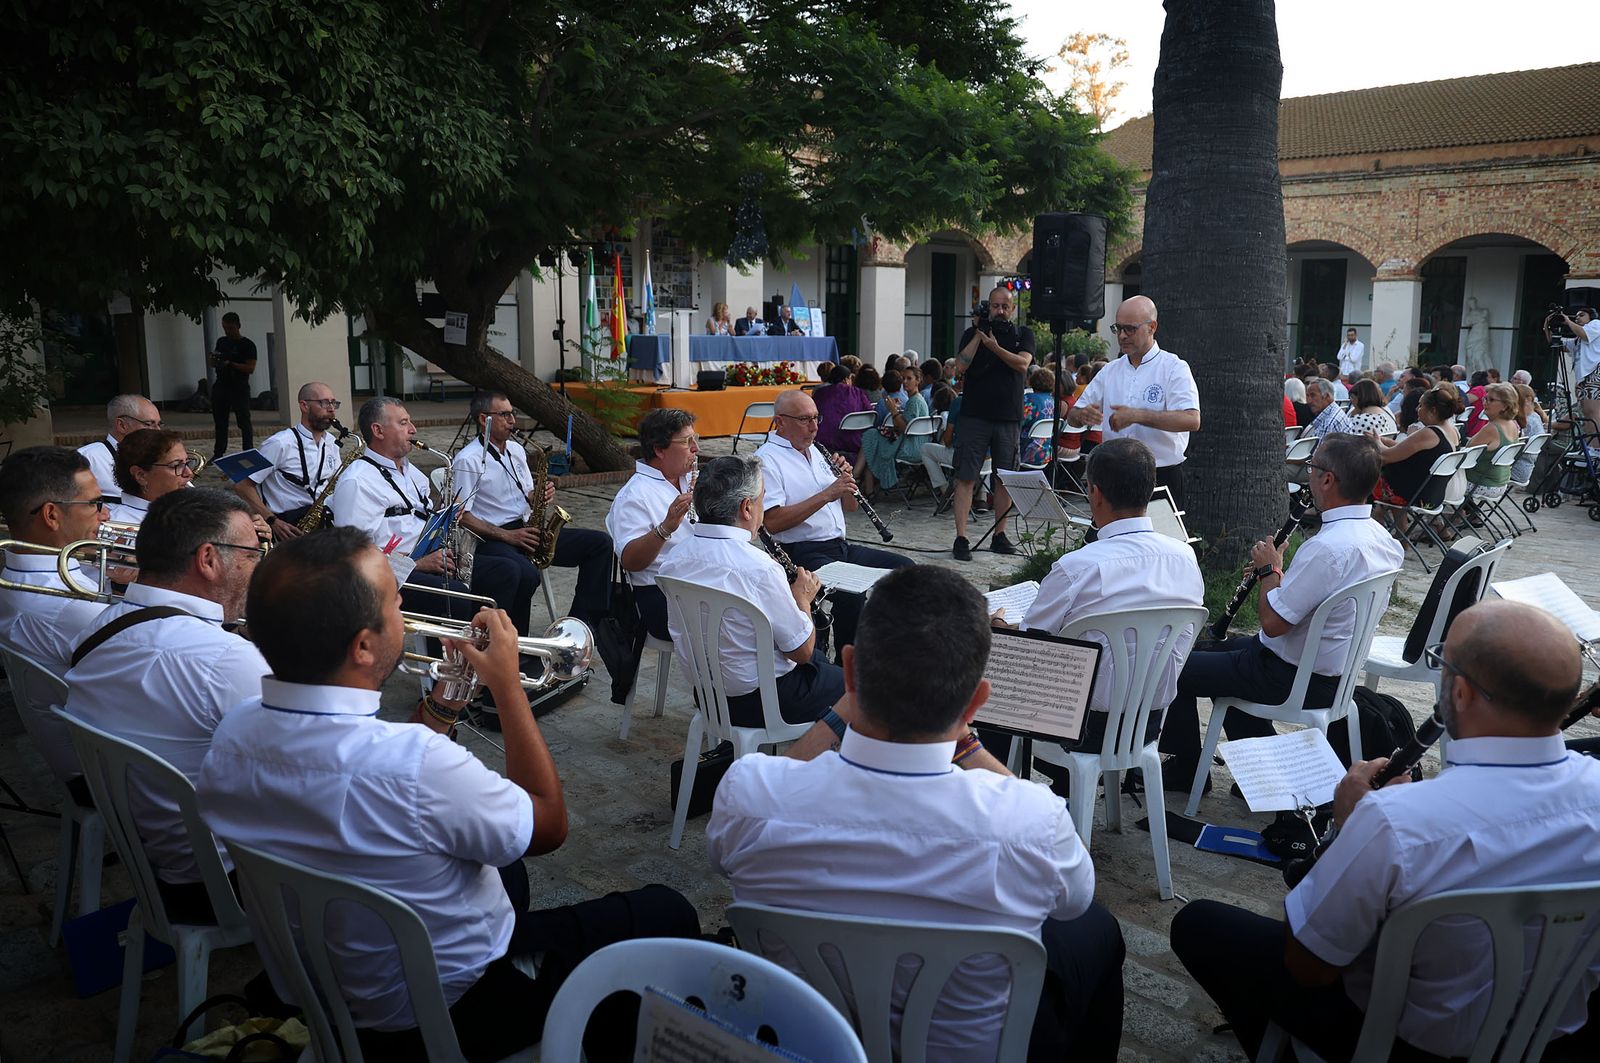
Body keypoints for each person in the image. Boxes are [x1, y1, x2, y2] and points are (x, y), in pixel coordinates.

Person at [197, 529, 700, 1061]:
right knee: (666, 910)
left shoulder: (234, 733)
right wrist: (509, 688)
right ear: (363, 646)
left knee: (504, 868)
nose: (406, 610)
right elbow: (550, 825)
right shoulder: (415, 763)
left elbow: (383, 777)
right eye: (395, 601)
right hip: (447, 1010)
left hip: (326, 987)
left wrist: (448, 697)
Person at [707, 565, 1125, 1061]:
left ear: (848, 671)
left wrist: (849, 702)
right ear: (976, 702)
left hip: (810, 1045)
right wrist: (964, 739)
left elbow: (729, 839)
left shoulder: (749, 795)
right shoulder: (1031, 822)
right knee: (1098, 931)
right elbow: (1075, 899)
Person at [1172, 599, 1600, 1062]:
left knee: (1199, 925)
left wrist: (1345, 828)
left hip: (1401, 1043)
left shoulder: (1396, 821)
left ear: (1462, 695)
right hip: (1549, 1040)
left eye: (1444, 665)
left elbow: (1309, 965)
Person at [63, 489, 268, 921]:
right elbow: (321, 775)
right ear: (208, 559)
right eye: (252, 554)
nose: (259, 567)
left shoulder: (100, 624)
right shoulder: (224, 659)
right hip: (226, 881)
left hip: (154, 861)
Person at [1160, 434, 1404, 788]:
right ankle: (1264, 778)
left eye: (1312, 468)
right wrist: (1279, 579)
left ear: (1327, 479)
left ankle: (1185, 769)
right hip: (1333, 671)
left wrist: (1269, 574)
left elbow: (1273, 624)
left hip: (1292, 676)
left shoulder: (1326, 548)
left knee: (1175, 665)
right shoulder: (1383, 539)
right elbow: (1326, 599)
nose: (1308, 476)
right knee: (1210, 654)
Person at [1006, 439, 1204, 771]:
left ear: (1095, 494)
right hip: (1148, 722)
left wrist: (1004, 630)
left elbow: (1032, 646)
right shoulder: (1185, 557)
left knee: (998, 678)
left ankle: (1011, 796)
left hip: (1080, 727)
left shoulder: (1077, 567)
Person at [658, 455, 846, 729]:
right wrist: (802, 599)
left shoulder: (675, 559)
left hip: (707, 695)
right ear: (746, 508)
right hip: (766, 701)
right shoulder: (760, 569)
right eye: (762, 499)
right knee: (858, 687)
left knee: (821, 665)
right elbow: (801, 652)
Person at [756, 391, 912, 654]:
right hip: (801, 553)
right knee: (851, 593)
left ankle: (884, 645)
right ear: (780, 422)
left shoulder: (817, 450)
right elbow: (771, 522)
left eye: (817, 418)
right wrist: (827, 493)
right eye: (805, 419)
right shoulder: (766, 459)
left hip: (839, 546)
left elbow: (849, 508)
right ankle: (845, 665)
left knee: (908, 571)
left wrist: (846, 480)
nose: (815, 427)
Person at [451, 392, 613, 633]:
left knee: (599, 544)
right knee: (526, 574)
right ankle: (513, 641)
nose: (512, 420)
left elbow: (527, 492)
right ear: (484, 419)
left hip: (527, 527)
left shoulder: (516, 450)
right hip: (495, 537)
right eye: (504, 414)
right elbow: (461, 516)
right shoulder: (468, 460)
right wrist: (508, 536)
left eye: (512, 413)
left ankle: (580, 625)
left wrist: (538, 495)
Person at [0, 448, 111, 791]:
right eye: (94, 503)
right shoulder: (68, 606)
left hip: (73, 754)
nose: (105, 514)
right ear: (51, 515)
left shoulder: (14, 569)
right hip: (106, 774)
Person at [330, 398, 465, 623]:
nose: (413, 430)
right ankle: (447, 656)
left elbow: (418, 517)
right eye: (403, 423)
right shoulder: (358, 481)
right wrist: (418, 564)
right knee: (459, 596)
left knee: (509, 572)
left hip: (425, 559)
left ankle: (511, 650)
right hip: (387, 578)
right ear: (378, 430)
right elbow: (354, 555)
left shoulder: (413, 474)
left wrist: (445, 511)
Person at [1068, 295, 1199, 508]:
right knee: (1103, 539)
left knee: (1160, 541)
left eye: (1130, 329)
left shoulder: (1174, 367)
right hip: (1113, 475)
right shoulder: (1109, 371)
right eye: (1118, 328)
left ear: (1151, 327)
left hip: (1160, 476)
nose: (1122, 336)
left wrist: (1138, 415)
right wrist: (1080, 415)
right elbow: (1073, 416)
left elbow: (1191, 420)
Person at [949, 286, 1036, 560]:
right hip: (975, 415)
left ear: (1012, 309)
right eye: (994, 306)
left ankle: (1000, 534)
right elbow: (960, 367)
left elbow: (1022, 365)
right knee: (965, 476)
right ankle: (961, 538)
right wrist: (979, 335)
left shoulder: (1023, 335)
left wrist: (994, 347)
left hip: (1008, 417)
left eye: (1003, 306)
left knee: (1004, 479)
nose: (999, 310)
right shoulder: (973, 334)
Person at [605, 409, 697, 642]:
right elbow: (631, 561)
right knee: (740, 623)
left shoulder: (690, 479)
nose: (696, 448)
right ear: (659, 450)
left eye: (696, 439)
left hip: (698, 582)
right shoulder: (634, 495)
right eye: (687, 442)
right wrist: (665, 528)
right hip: (661, 595)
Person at [234, 382, 345, 538]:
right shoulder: (279, 443)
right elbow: (242, 485)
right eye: (324, 402)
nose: (331, 409)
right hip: (286, 526)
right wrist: (272, 520)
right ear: (304, 406)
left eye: (333, 403)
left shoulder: (332, 443)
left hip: (320, 522)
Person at [1370, 385, 1461, 525]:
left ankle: (1375, 525)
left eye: (1421, 405)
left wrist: (1376, 441)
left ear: (1433, 411)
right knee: (1391, 483)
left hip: (1416, 495)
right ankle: (1395, 534)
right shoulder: (1451, 430)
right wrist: (1386, 441)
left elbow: (1386, 456)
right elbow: (1408, 450)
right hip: (1433, 493)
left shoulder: (1428, 433)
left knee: (1370, 474)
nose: (1417, 409)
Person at [855, 368, 928, 496]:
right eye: (903, 378)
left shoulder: (914, 401)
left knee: (870, 438)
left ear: (918, 380)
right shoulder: (916, 399)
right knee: (872, 441)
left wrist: (893, 411)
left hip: (909, 447)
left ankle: (856, 478)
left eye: (909, 378)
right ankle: (866, 487)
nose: (905, 382)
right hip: (915, 445)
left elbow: (905, 428)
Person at [78, 394, 162, 502]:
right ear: (122, 425)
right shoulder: (88, 458)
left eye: (159, 424)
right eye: (150, 424)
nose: (158, 431)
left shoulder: (162, 457)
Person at [109, 428, 198, 526]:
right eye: (176, 465)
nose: (189, 473)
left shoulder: (191, 510)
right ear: (141, 475)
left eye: (187, 463)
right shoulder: (117, 523)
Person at [1461, 381, 1521, 513]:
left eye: (1491, 400)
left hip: (1484, 483)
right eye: (1485, 398)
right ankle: (1467, 513)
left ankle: (1447, 520)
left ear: (1505, 406)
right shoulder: (1511, 424)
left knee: (1441, 478)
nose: (1485, 402)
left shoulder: (1492, 428)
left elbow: (1466, 452)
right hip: (1500, 482)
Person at [210, 311, 256, 458]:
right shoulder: (222, 342)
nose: (227, 331)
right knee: (220, 422)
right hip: (222, 384)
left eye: (230, 328)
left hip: (239, 387)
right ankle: (218, 452)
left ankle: (248, 451)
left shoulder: (248, 345)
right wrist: (216, 361)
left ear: (238, 326)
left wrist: (232, 364)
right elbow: (215, 361)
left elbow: (250, 368)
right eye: (225, 328)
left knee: (244, 422)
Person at [1546, 305, 1600, 430]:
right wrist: (1547, 326)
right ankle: (1590, 445)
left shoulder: (1596, 324)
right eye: (1576, 316)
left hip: (1594, 372)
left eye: (1581, 315)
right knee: (1586, 412)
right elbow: (1557, 345)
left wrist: (1567, 321)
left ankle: (1596, 448)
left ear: (1591, 317)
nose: (1577, 318)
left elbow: (1585, 334)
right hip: (1584, 377)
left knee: (1593, 411)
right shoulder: (1577, 340)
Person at [812, 362, 874, 464]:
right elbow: (870, 414)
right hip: (854, 441)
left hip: (826, 441)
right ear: (846, 379)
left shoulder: (820, 393)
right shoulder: (857, 392)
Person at [1510, 382, 1547, 484]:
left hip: (1514, 469)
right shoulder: (1535, 416)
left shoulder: (1526, 422)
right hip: (1526, 468)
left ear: (1527, 400)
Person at [1021, 367, 1056, 466]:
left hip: (1025, 453)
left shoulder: (1028, 400)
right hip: (1045, 454)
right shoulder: (1054, 401)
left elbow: (1018, 422)